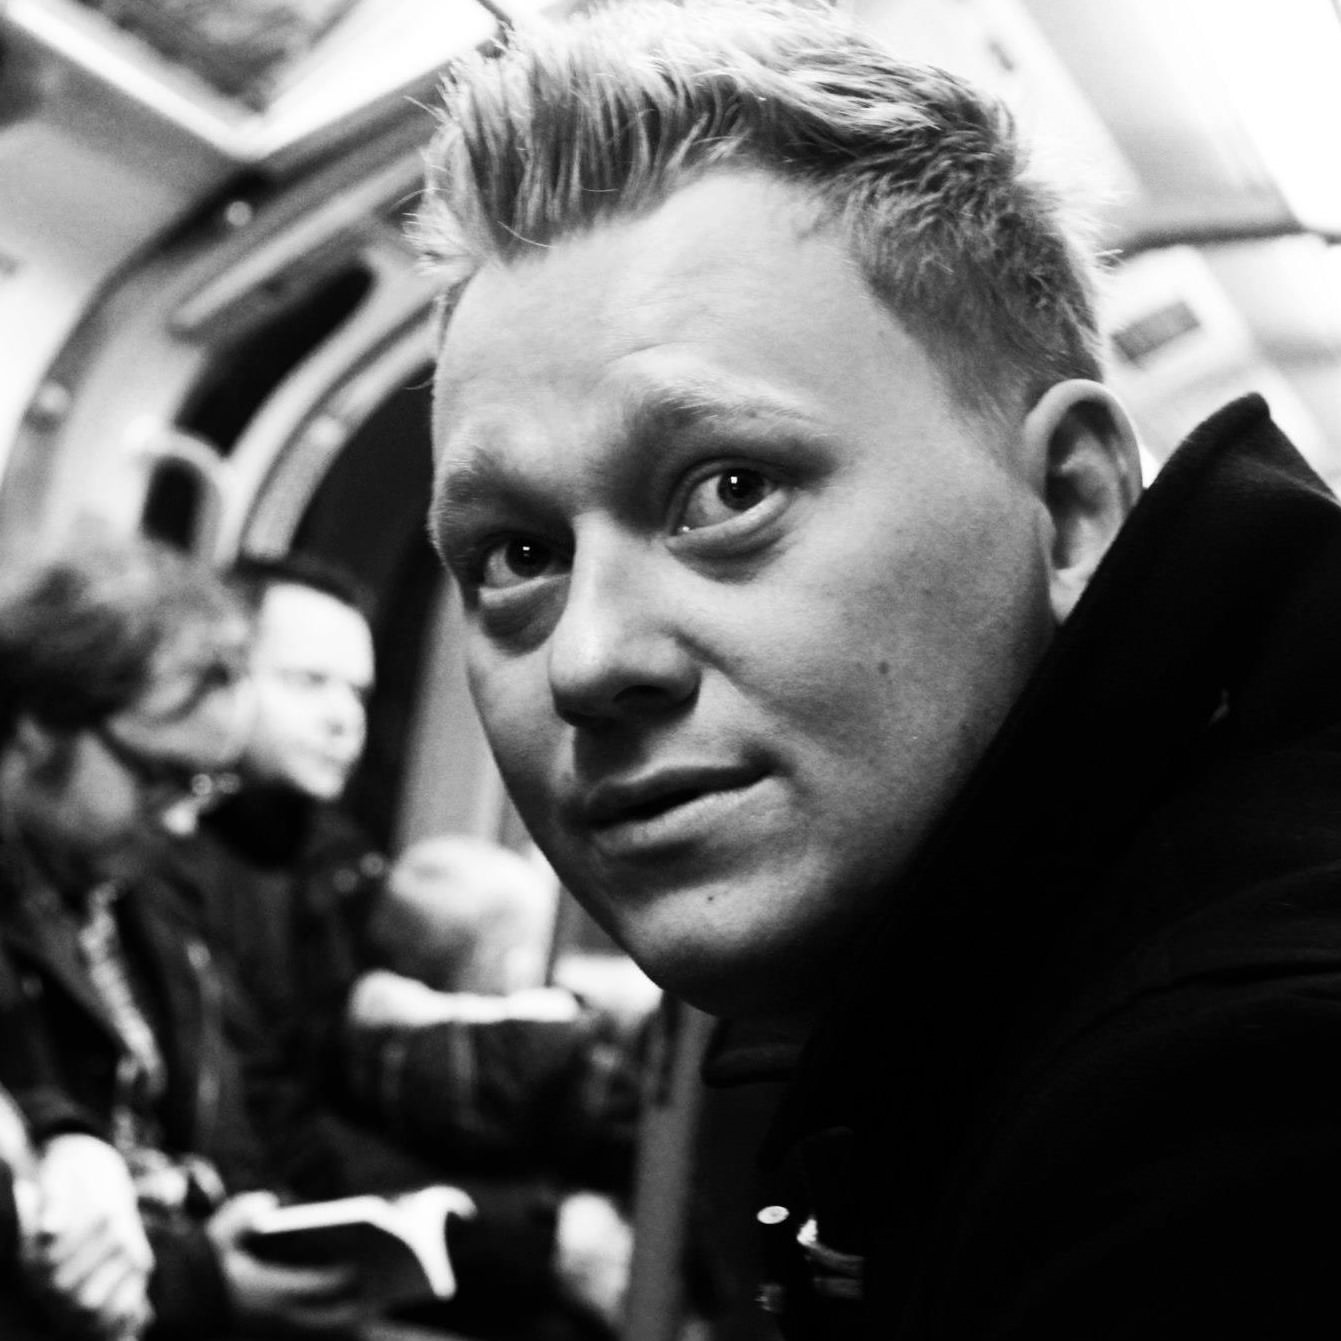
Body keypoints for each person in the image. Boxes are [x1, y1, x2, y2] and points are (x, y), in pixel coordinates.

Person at [413, 1, 1341, 1336]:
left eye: (728, 490)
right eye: (515, 556)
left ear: (1072, 508)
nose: (590, 658)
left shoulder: (1246, 1116)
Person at [170, 553, 640, 1339]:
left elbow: (381, 1072)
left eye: (356, 692)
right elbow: (275, 1126)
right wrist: (530, 1233)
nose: (342, 718)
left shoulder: (331, 861)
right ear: (220, 681)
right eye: (308, 682)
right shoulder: (180, 874)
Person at [0, 535, 363, 1339]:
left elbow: (219, 1122)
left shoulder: (139, 896)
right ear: (38, 725)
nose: (179, 819)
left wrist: (246, 1216)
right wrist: (200, 1279)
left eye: (203, 784)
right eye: (159, 776)